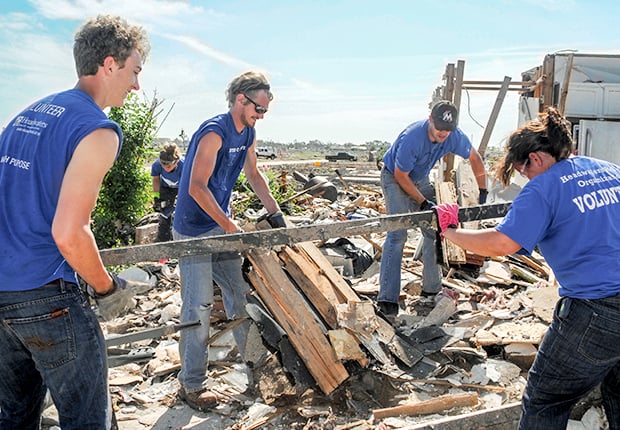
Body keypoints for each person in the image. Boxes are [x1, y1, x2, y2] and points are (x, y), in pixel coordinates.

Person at [0, 15, 150, 430]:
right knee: (88, 420)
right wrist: (106, 288)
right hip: (46, 298)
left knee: (12, 417)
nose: (136, 85)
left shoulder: (26, 115)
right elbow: (68, 233)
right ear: (109, 65)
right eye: (134, 71)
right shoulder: (98, 129)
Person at [436, 107, 620, 429]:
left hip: (596, 310)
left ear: (535, 158)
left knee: (545, 401)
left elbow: (502, 244)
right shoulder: (608, 170)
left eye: (522, 171)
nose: (525, 178)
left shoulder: (544, 187)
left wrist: (450, 232)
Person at [172, 71, 284, 411]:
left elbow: (253, 172)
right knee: (199, 305)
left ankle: (257, 372)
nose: (261, 115)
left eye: (264, 111)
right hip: (193, 230)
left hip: (219, 226)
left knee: (239, 296)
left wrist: (276, 213)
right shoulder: (213, 133)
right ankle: (191, 385)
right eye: (258, 109)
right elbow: (196, 187)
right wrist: (229, 225)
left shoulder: (248, 132)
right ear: (240, 99)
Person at [377, 100, 488, 316]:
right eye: (439, 128)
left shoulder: (454, 136)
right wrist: (422, 202)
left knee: (435, 231)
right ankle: (387, 299)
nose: (443, 133)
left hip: (419, 179)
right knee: (397, 235)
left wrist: (482, 191)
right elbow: (401, 176)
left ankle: (430, 290)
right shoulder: (413, 138)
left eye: (448, 129)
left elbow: (475, 158)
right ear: (430, 120)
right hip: (395, 178)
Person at [151, 143, 184, 242]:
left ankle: (178, 240)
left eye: (169, 165)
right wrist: (156, 197)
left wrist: (177, 202)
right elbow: (156, 180)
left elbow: (186, 185)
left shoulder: (184, 166)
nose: (166, 168)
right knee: (164, 215)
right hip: (165, 188)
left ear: (176, 161)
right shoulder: (157, 165)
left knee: (178, 214)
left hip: (181, 189)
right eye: (163, 164)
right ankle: (163, 240)